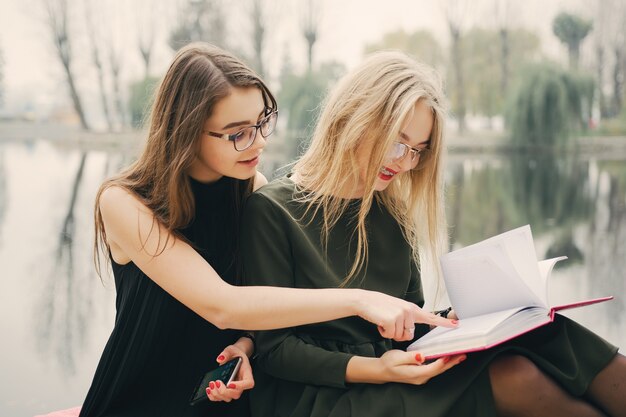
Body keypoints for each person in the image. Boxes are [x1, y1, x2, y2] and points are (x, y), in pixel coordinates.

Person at [78, 43, 456, 417]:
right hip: (141, 400)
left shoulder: (251, 189)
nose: (258, 142)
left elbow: (259, 310)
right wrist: (359, 300)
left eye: (262, 122)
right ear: (186, 132)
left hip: (221, 395)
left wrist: (245, 347)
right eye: (237, 132)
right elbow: (221, 306)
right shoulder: (124, 203)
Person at [241, 50, 626, 417]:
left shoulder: (391, 213)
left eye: (417, 150)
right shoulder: (273, 211)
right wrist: (380, 369)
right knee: (514, 379)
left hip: (397, 369)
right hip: (320, 396)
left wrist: (458, 321)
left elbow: (409, 330)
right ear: (352, 119)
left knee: (546, 331)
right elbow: (276, 351)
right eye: (397, 142)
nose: (405, 162)